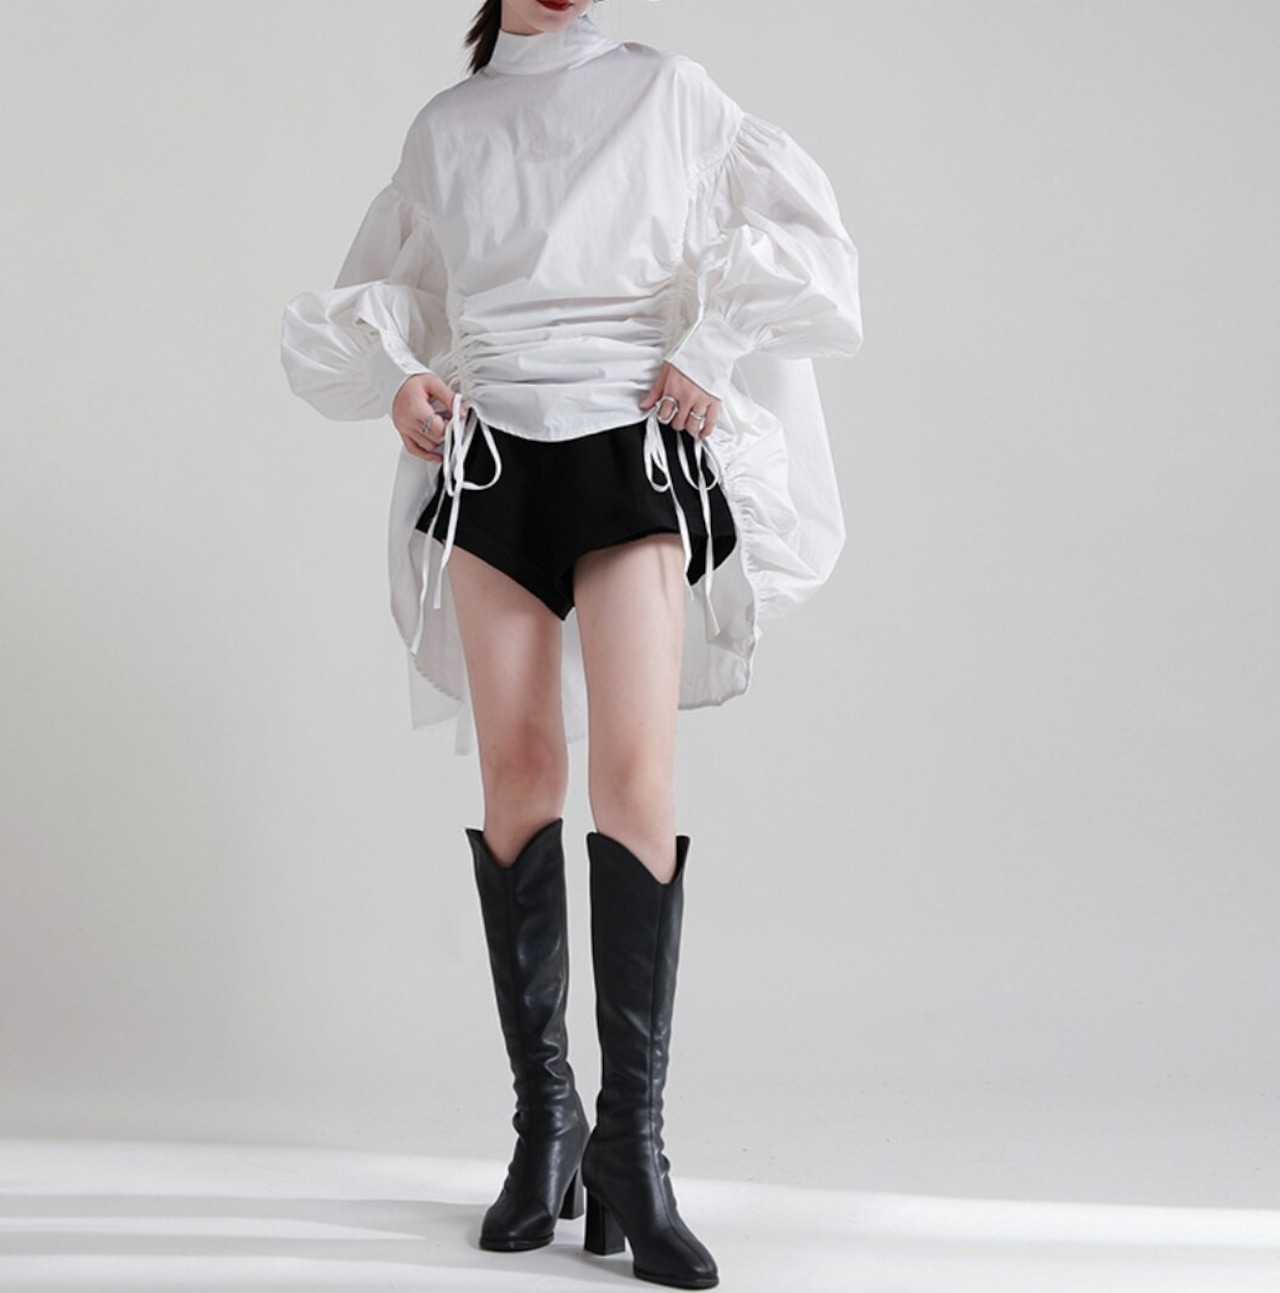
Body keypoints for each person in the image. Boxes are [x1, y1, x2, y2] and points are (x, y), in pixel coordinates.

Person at [280, 1, 861, 1286]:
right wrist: (399, 379)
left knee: (634, 781)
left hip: (627, 441)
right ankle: (547, 1127)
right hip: (493, 457)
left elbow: (805, 248)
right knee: (518, 778)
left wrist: (710, 344)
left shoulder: (669, 91)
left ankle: (631, 1154)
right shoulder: (448, 127)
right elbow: (395, 297)